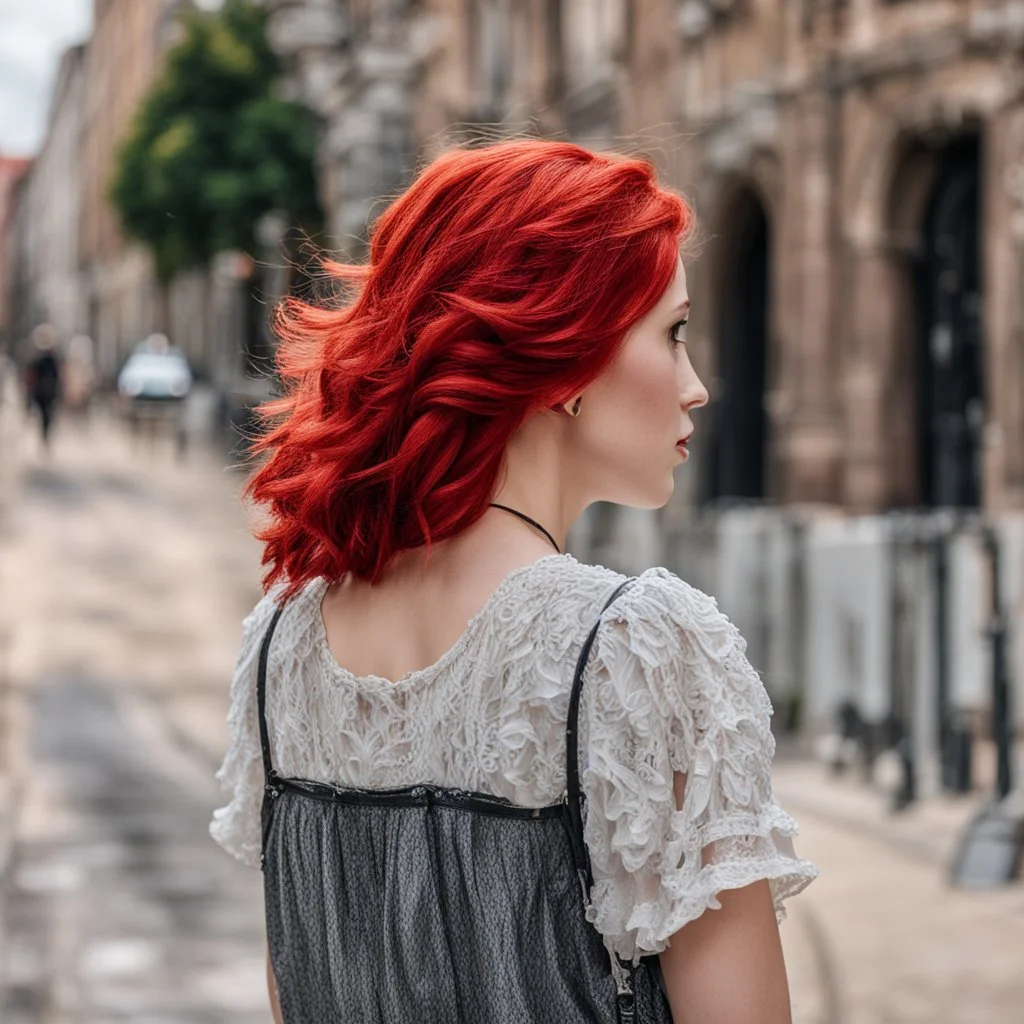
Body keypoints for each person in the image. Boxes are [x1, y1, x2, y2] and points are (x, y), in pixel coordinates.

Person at [209, 138, 818, 1023]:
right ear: (565, 356)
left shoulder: (282, 645)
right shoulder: (637, 649)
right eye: (673, 333)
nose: (697, 387)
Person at [24, 324, 62, 449]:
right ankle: (44, 436)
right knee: (43, 415)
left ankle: (45, 436)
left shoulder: (52, 358)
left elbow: (58, 375)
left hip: (49, 392)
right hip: (41, 392)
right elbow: (31, 376)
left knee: (47, 416)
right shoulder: (38, 359)